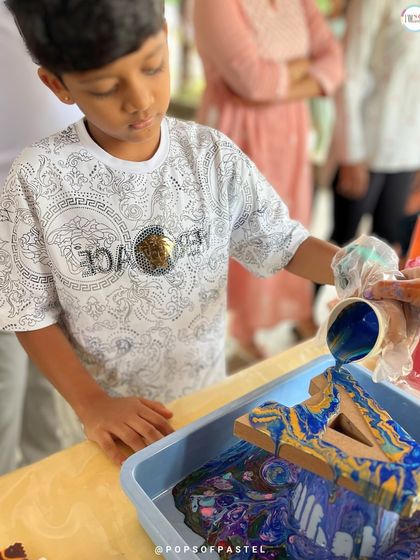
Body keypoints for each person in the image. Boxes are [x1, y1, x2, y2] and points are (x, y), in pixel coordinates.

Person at [0, 0, 339, 465]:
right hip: (102, 419)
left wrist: (349, 267)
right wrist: (91, 403)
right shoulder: (39, 178)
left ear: (165, 34)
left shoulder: (210, 156)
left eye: (154, 66)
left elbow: (283, 241)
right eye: (104, 88)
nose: (139, 100)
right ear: (57, 85)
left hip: (202, 393)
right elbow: (28, 312)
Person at [193, 0, 343, 356]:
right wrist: (304, 70)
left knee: (287, 223)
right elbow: (253, 81)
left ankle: (273, 317)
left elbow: (335, 62)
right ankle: (236, 328)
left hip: (289, 132)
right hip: (239, 131)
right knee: (235, 227)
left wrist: (277, 85)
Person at [0, 0, 82, 474]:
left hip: (66, 203)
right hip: (5, 215)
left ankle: (39, 487)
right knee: (7, 374)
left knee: (52, 374)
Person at [332, 0, 420, 248]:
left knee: (389, 247)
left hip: (409, 153)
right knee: (342, 247)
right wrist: (351, 153)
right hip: (367, 146)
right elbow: (350, 74)